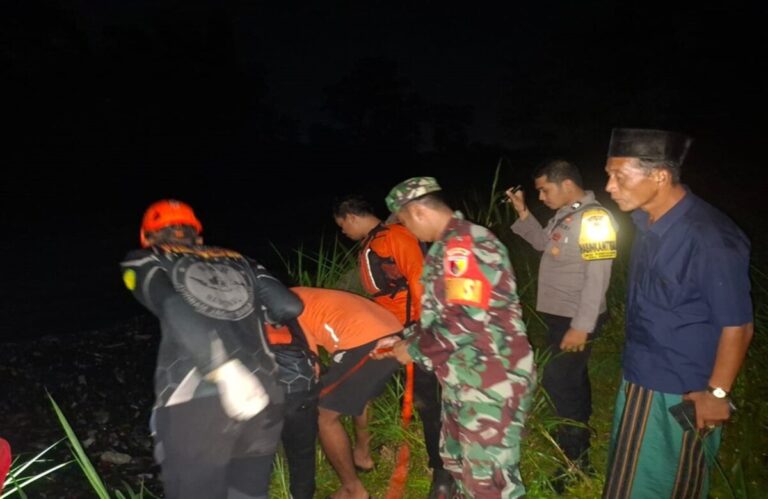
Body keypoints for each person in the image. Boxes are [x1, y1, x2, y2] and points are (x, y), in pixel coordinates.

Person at [602, 129, 754, 498]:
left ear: (660, 176)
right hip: (641, 375)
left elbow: (738, 325)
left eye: (619, 176)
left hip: (682, 390)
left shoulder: (709, 237)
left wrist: (716, 393)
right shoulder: (645, 225)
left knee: (670, 485)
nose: (609, 186)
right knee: (627, 480)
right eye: (609, 175)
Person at [120, 199, 304, 499]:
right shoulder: (241, 259)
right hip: (263, 394)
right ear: (198, 236)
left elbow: (171, 304)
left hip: (194, 399)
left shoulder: (144, 259)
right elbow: (289, 305)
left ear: (148, 237)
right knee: (249, 493)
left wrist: (222, 368)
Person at [374, 177, 536, 498]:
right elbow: (443, 315)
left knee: (490, 484)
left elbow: (465, 322)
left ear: (418, 212)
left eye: (404, 222)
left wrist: (414, 349)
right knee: (465, 471)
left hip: (490, 383)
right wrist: (401, 339)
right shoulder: (447, 248)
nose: (407, 230)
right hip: (465, 379)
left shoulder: (465, 247)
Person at [506, 160, 615, 484]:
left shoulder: (594, 219)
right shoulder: (568, 215)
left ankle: (575, 463)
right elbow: (544, 244)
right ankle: (578, 452)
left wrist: (581, 326)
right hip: (561, 317)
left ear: (567, 184)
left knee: (560, 384)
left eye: (544, 189)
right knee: (571, 381)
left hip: (576, 316)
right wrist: (523, 212)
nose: (541, 195)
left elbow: (598, 277)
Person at [333, 195, 449, 497]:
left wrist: (420, 331)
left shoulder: (394, 236)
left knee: (427, 401)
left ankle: (442, 471)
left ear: (350, 217)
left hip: (412, 328)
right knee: (396, 393)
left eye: (341, 226)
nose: (343, 232)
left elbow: (419, 279)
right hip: (389, 329)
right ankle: (390, 445)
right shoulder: (374, 241)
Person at [267, 286, 401, 499]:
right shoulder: (289, 294)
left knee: (322, 413)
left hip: (367, 340)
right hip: (391, 328)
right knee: (358, 391)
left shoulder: (279, 308)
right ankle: (362, 455)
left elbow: (310, 364)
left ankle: (353, 490)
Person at [265, 313, 318, 499]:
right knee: (302, 452)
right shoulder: (287, 309)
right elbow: (310, 351)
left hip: (259, 386)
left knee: (257, 453)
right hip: (298, 382)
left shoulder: (224, 308)